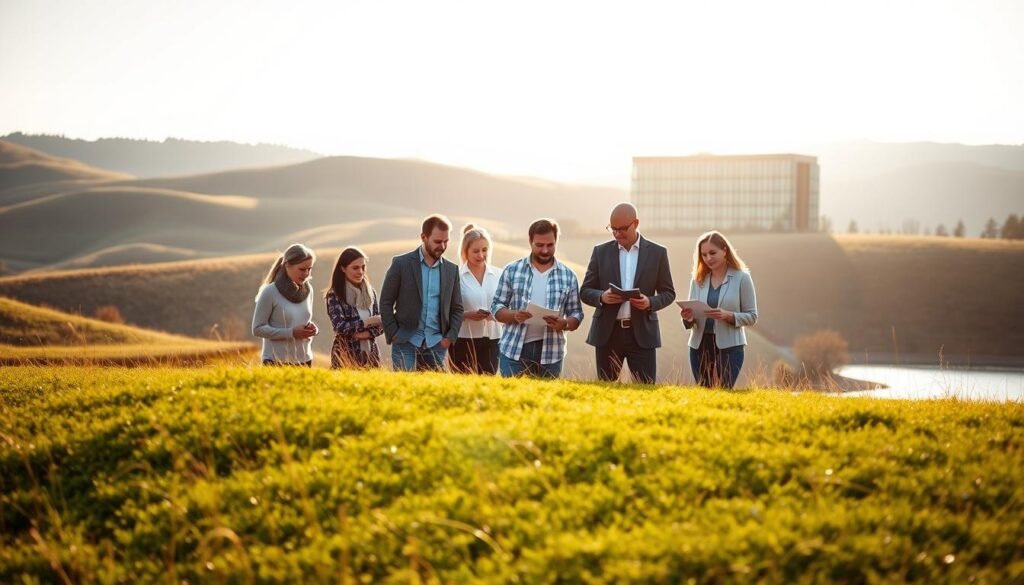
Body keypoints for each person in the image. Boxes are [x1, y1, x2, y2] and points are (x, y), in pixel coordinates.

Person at [581, 202, 675, 384]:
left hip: (642, 335)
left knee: (646, 390)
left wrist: (650, 302)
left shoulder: (658, 253)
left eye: (622, 229)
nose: (617, 234)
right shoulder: (600, 252)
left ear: (636, 223)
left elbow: (668, 293)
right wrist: (602, 297)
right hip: (608, 335)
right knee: (604, 391)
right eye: (613, 229)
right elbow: (585, 291)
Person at [492, 218, 584, 378]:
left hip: (551, 353)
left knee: (547, 401)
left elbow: (576, 313)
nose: (545, 250)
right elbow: (496, 307)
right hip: (513, 350)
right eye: (539, 245)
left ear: (556, 241)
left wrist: (565, 323)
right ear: (530, 242)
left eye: (550, 245)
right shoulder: (512, 270)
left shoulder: (568, 276)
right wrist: (514, 315)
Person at [379, 214, 464, 371]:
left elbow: (457, 308)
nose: (443, 246)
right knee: (404, 391)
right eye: (438, 242)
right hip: (405, 341)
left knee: (434, 393)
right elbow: (385, 302)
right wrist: (393, 333)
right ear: (423, 237)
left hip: (437, 344)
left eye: (446, 241)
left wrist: (450, 338)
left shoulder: (452, 270)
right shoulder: (400, 264)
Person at [680, 231, 758, 388]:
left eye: (712, 253)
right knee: (704, 393)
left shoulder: (742, 278)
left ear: (725, 250)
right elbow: (691, 321)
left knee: (724, 391)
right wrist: (688, 317)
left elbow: (752, 316)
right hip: (699, 345)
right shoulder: (697, 280)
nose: (708, 258)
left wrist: (728, 315)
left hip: (731, 346)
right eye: (704, 255)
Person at [252, 243, 318, 366]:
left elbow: (302, 319)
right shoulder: (270, 292)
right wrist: (291, 332)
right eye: (302, 269)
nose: (306, 274)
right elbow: (257, 329)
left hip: (305, 360)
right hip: (276, 360)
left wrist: (312, 329)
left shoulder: (308, 290)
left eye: (309, 269)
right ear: (287, 265)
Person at [450, 224, 502, 374]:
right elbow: (445, 312)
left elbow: (507, 306)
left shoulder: (499, 275)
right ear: (465, 251)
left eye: (484, 250)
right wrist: (467, 315)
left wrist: (497, 315)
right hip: (462, 340)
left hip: (493, 339)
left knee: (486, 386)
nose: (481, 255)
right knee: (462, 386)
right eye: (476, 251)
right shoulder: (455, 277)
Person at [325, 247, 384, 368]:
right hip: (345, 355)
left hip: (371, 356)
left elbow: (382, 324)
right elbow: (339, 327)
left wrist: (366, 334)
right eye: (355, 268)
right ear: (343, 268)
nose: (360, 271)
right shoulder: (334, 295)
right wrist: (368, 322)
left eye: (363, 267)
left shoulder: (370, 292)